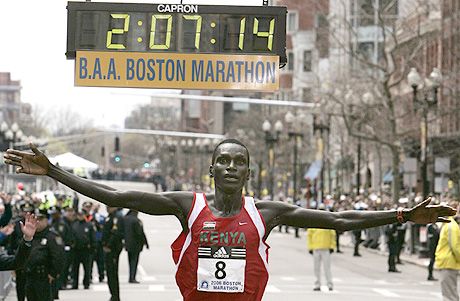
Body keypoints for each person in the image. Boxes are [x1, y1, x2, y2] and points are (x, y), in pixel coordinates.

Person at [3, 140, 457, 301]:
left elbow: (337, 218)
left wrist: (403, 213)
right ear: (212, 169)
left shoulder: (267, 212)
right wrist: (55, 172)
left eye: (240, 162)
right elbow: (117, 194)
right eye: (223, 161)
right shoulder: (188, 205)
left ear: (248, 171)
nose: (231, 168)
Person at [24, 209, 65, 301]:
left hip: (44, 276)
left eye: (40, 219)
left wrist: (53, 274)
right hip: (30, 275)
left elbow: (59, 256)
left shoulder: (52, 236)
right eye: (35, 219)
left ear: (46, 220)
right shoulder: (30, 235)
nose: (37, 222)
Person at [307, 204, 336, 291]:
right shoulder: (313, 221)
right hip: (316, 248)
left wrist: (332, 246)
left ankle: (329, 284)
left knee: (327, 268)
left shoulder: (328, 221)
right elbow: (309, 235)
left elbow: (332, 235)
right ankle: (317, 284)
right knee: (316, 268)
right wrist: (310, 247)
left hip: (326, 248)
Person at [435, 209, 460, 301]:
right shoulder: (449, 225)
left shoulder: (450, 226)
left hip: (448, 263)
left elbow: (455, 246)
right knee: (449, 293)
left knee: (449, 296)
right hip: (447, 263)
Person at [103, 206, 124, 301]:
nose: (107, 208)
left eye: (109, 207)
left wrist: (108, 245)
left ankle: (115, 296)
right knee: (109, 273)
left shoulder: (116, 217)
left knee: (112, 273)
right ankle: (113, 294)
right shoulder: (110, 216)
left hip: (113, 249)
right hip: (108, 249)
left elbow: (115, 233)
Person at [71, 210, 95, 290]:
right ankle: (75, 283)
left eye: (82, 215)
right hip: (76, 250)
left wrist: (92, 248)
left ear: (84, 215)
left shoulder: (89, 225)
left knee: (87, 268)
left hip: (86, 250)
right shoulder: (74, 224)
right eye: (79, 215)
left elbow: (93, 238)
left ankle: (86, 283)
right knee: (75, 268)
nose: (80, 216)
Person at [124, 209, 149, 283]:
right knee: (134, 261)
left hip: (128, 244)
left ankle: (131, 277)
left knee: (130, 261)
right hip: (136, 244)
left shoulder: (125, 219)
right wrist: (145, 243)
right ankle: (132, 277)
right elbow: (140, 233)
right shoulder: (137, 220)